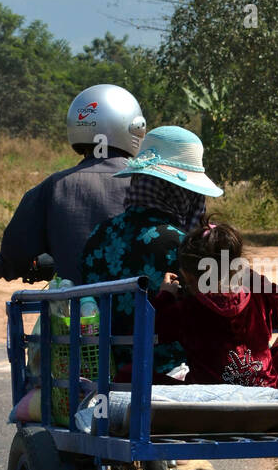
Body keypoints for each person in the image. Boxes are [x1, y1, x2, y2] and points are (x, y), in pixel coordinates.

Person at [80, 126, 222, 378]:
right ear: (181, 193)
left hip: (108, 369)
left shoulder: (98, 234)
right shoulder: (183, 245)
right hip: (167, 372)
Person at [0, 84, 146, 285]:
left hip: (75, 307)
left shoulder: (54, 186)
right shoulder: (151, 185)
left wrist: (3, 265)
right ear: (135, 127)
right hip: (140, 308)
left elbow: (15, 252)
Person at [154, 221, 278, 387]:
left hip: (208, 392)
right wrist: (259, 281)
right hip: (263, 387)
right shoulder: (259, 295)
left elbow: (153, 329)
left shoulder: (186, 309)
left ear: (188, 275)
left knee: (130, 373)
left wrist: (166, 295)